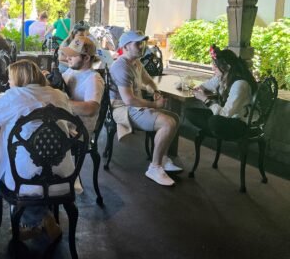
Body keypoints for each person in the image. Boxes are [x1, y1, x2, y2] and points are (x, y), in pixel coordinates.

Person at [0, 60, 73, 241]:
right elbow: (71, 125)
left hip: (25, 180)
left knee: (9, 168)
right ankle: (42, 215)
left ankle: (34, 221)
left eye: (10, 79)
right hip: (64, 176)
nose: (8, 83)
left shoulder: (14, 96)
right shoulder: (59, 95)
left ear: (19, 79)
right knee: (34, 164)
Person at [109, 31, 181, 186]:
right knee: (168, 123)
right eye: (137, 43)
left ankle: (162, 158)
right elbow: (129, 100)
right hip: (123, 109)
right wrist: (155, 105)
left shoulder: (136, 62)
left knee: (175, 118)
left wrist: (155, 91)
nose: (142, 46)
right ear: (126, 46)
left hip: (134, 106)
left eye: (142, 43)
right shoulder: (121, 66)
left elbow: (149, 81)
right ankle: (154, 167)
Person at [185, 46, 257, 140]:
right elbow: (208, 84)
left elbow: (225, 114)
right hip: (224, 118)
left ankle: (215, 129)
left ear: (227, 67)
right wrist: (201, 88)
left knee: (214, 121)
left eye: (216, 66)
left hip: (238, 123)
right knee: (189, 113)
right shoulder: (223, 77)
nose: (213, 69)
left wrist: (205, 100)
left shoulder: (239, 84)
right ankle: (215, 130)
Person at [62, 37, 105, 134]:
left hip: (78, 132)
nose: (67, 58)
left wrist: (60, 103)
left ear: (86, 58)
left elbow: (91, 109)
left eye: (73, 55)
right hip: (66, 125)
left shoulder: (93, 79)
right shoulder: (71, 71)